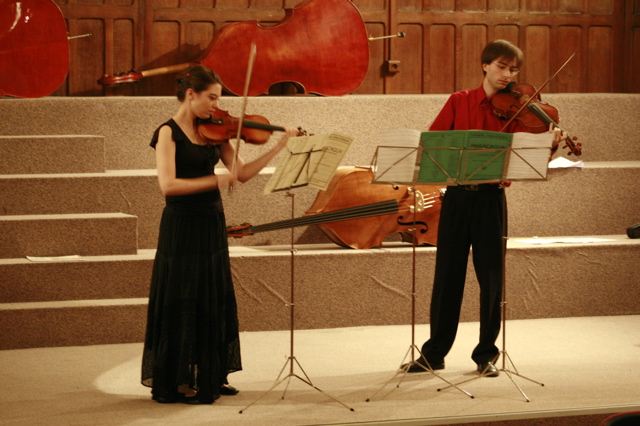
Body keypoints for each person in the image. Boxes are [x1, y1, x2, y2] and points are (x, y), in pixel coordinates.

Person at [405, 40, 565, 377]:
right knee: (447, 277)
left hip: (491, 199)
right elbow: (434, 143)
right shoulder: (459, 101)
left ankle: (486, 355)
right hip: (458, 198)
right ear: (485, 66)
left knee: (491, 278)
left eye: (514, 69)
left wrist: (547, 145)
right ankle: (435, 352)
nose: (508, 75)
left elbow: (527, 158)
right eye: (502, 67)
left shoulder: (522, 111)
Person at [141, 64, 298, 404]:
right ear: (190, 94)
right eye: (211, 98)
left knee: (210, 296)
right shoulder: (167, 133)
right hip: (182, 227)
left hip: (211, 223)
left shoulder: (216, 131)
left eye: (219, 99)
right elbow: (168, 185)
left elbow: (240, 173)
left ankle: (210, 372)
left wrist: (280, 146)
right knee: (183, 300)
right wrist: (216, 180)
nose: (216, 105)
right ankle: (177, 379)